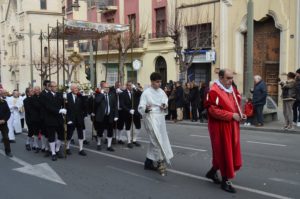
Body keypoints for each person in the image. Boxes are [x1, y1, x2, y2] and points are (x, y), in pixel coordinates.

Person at [205, 69, 243, 193]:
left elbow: (236, 105)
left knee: (227, 151)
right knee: (225, 152)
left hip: (232, 126)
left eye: (232, 78)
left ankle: (212, 172)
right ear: (220, 77)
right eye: (228, 78)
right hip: (219, 127)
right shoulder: (214, 91)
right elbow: (212, 111)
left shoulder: (231, 89)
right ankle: (225, 181)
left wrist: (241, 114)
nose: (230, 81)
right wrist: (231, 115)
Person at [138, 72, 173, 176]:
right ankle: (160, 163)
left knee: (157, 140)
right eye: (157, 82)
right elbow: (141, 107)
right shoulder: (146, 93)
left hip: (160, 118)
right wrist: (146, 109)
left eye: (160, 82)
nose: (159, 84)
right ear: (152, 82)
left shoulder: (161, 91)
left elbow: (165, 100)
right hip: (151, 117)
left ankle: (148, 162)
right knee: (156, 140)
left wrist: (164, 105)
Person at [42, 81, 66, 161]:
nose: (56, 87)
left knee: (61, 135)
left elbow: (64, 103)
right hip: (50, 119)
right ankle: (53, 153)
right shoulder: (46, 96)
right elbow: (48, 107)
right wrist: (59, 110)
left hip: (59, 119)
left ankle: (57, 149)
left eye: (56, 86)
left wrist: (66, 100)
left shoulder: (59, 94)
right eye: (54, 86)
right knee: (51, 136)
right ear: (50, 87)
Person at [94, 82, 118, 152]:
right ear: (102, 88)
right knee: (100, 131)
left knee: (110, 131)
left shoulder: (112, 95)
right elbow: (97, 101)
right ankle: (98, 143)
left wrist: (116, 115)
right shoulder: (98, 94)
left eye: (108, 87)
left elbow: (115, 106)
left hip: (110, 116)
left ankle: (109, 146)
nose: (107, 89)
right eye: (105, 87)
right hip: (101, 116)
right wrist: (102, 94)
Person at [65, 84, 87, 156]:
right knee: (69, 134)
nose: (76, 89)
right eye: (75, 88)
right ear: (71, 89)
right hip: (71, 118)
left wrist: (84, 97)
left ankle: (81, 149)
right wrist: (67, 119)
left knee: (80, 134)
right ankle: (67, 147)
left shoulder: (80, 96)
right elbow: (66, 109)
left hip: (79, 118)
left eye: (77, 88)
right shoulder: (67, 96)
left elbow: (84, 106)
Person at [120, 81, 143, 148]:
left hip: (136, 112)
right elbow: (122, 105)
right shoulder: (123, 93)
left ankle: (134, 139)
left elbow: (140, 93)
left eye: (131, 85)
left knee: (138, 127)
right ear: (126, 86)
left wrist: (135, 88)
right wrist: (129, 110)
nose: (130, 87)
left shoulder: (135, 92)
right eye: (129, 85)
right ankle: (129, 141)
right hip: (128, 113)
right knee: (128, 127)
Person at [0, 88, 13, 157]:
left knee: (6, 137)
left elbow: (8, 112)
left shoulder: (4, 102)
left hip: (3, 123)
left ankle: (8, 151)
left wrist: (4, 120)